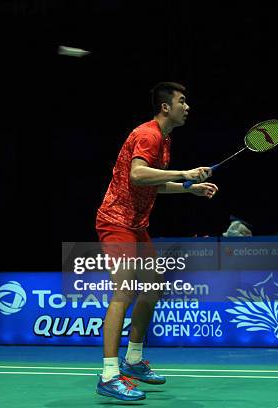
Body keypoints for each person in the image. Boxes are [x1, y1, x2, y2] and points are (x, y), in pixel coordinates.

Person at [95, 82, 219, 400]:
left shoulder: (164, 141)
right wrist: (183, 173)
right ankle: (109, 375)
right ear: (166, 107)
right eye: (182, 101)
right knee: (124, 291)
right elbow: (138, 174)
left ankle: (133, 360)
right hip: (116, 222)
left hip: (137, 226)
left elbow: (153, 185)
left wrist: (188, 188)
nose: (187, 106)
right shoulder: (148, 134)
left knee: (153, 286)